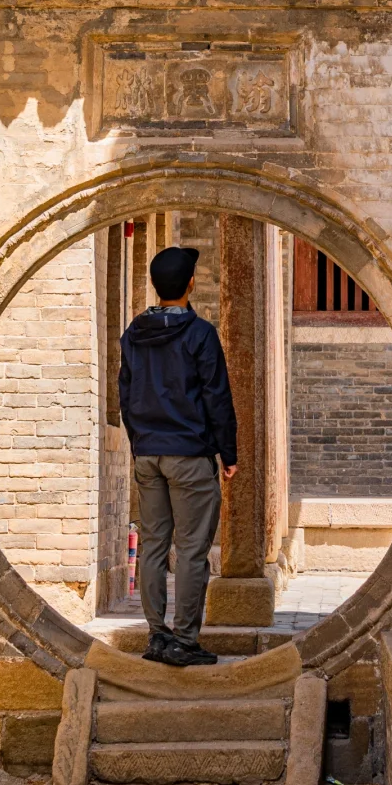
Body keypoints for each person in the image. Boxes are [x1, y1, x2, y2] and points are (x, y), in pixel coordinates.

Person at [118, 245, 238, 667]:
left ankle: (157, 635)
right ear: (190, 283)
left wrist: (140, 442)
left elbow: (126, 396)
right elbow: (216, 396)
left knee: (153, 545)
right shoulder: (199, 334)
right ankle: (185, 640)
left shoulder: (133, 334)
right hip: (188, 454)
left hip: (148, 454)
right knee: (190, 549)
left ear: (156, 285)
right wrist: (228, 451)